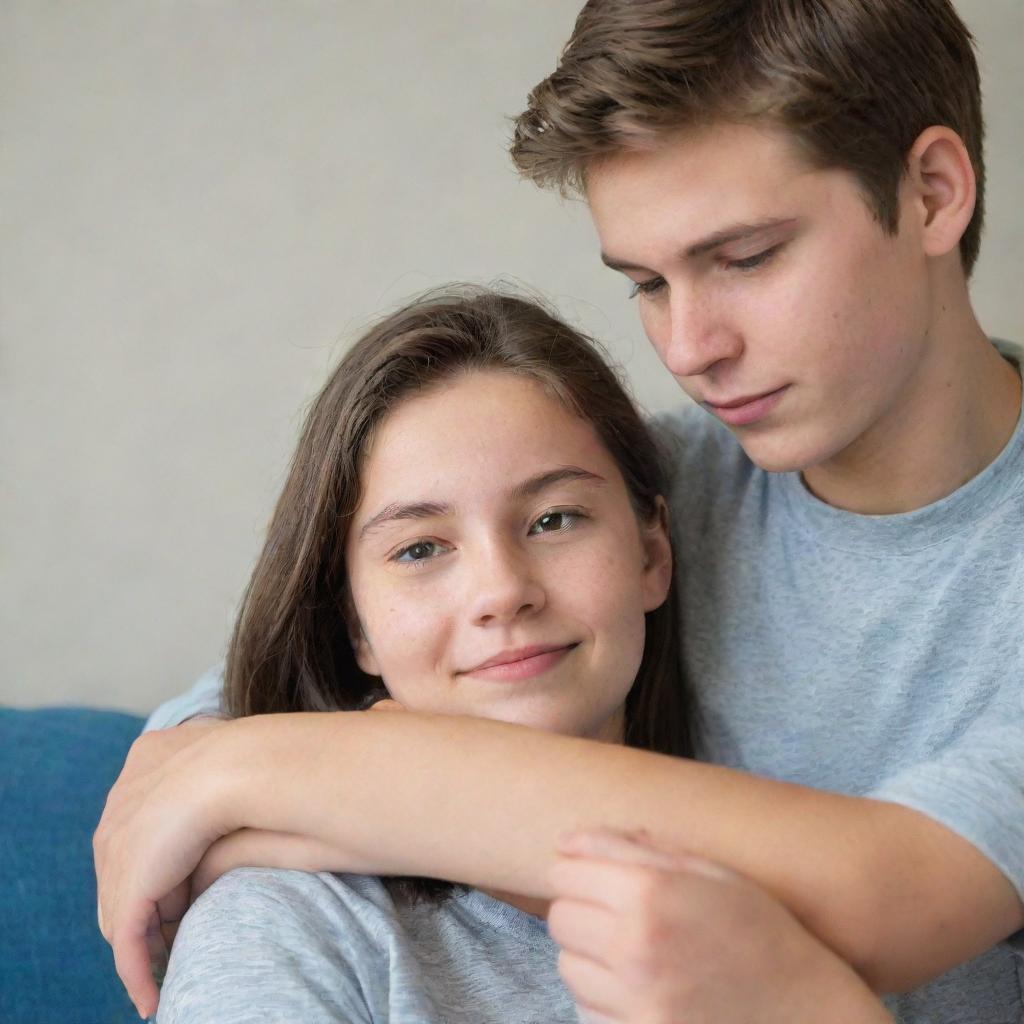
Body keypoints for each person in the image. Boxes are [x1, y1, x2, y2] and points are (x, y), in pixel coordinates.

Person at [95, 1, 1022, 1022]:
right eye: (644, 282)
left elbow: (895, 896)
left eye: (746, 257)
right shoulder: (643, 487)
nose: (687, 347)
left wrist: (277, 776)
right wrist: (250, 764)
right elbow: (225, 725)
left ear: (932, 192)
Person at [130, 288, 883, 1023]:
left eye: (554, 519)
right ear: (355, 627)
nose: (502, 592)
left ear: (653, 554)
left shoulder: (815, 878)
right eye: (420, 548)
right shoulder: (283, 925)